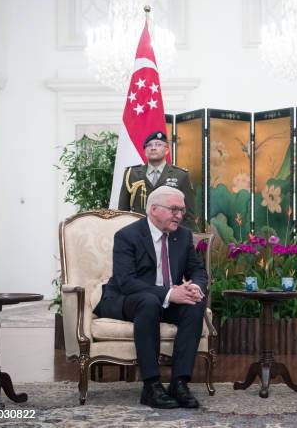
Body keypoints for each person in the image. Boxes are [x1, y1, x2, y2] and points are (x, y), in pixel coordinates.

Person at [95, 186, 207, 409]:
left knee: (194, 303)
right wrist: (169, 293)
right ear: (154, 209)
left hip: (162, 300)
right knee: (149, 301)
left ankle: (179, 382)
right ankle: (151, 385)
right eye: (174, 209)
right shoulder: (128, 235)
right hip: (126, 298)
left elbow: (197, 270)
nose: (179, 215)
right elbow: (126, 282)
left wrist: (194, 286)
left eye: (182, 210)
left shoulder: (182, 236)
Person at [119, 131, 196, 229]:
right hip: (139, 233)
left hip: (169, 234)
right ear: (145, 151)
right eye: (149, 145)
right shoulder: (131, 173)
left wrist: (182, 240)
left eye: (158, 145)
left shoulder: (181, 175)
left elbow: (188, 215)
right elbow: (123, 211)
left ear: (167, 150)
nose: (153, 148)